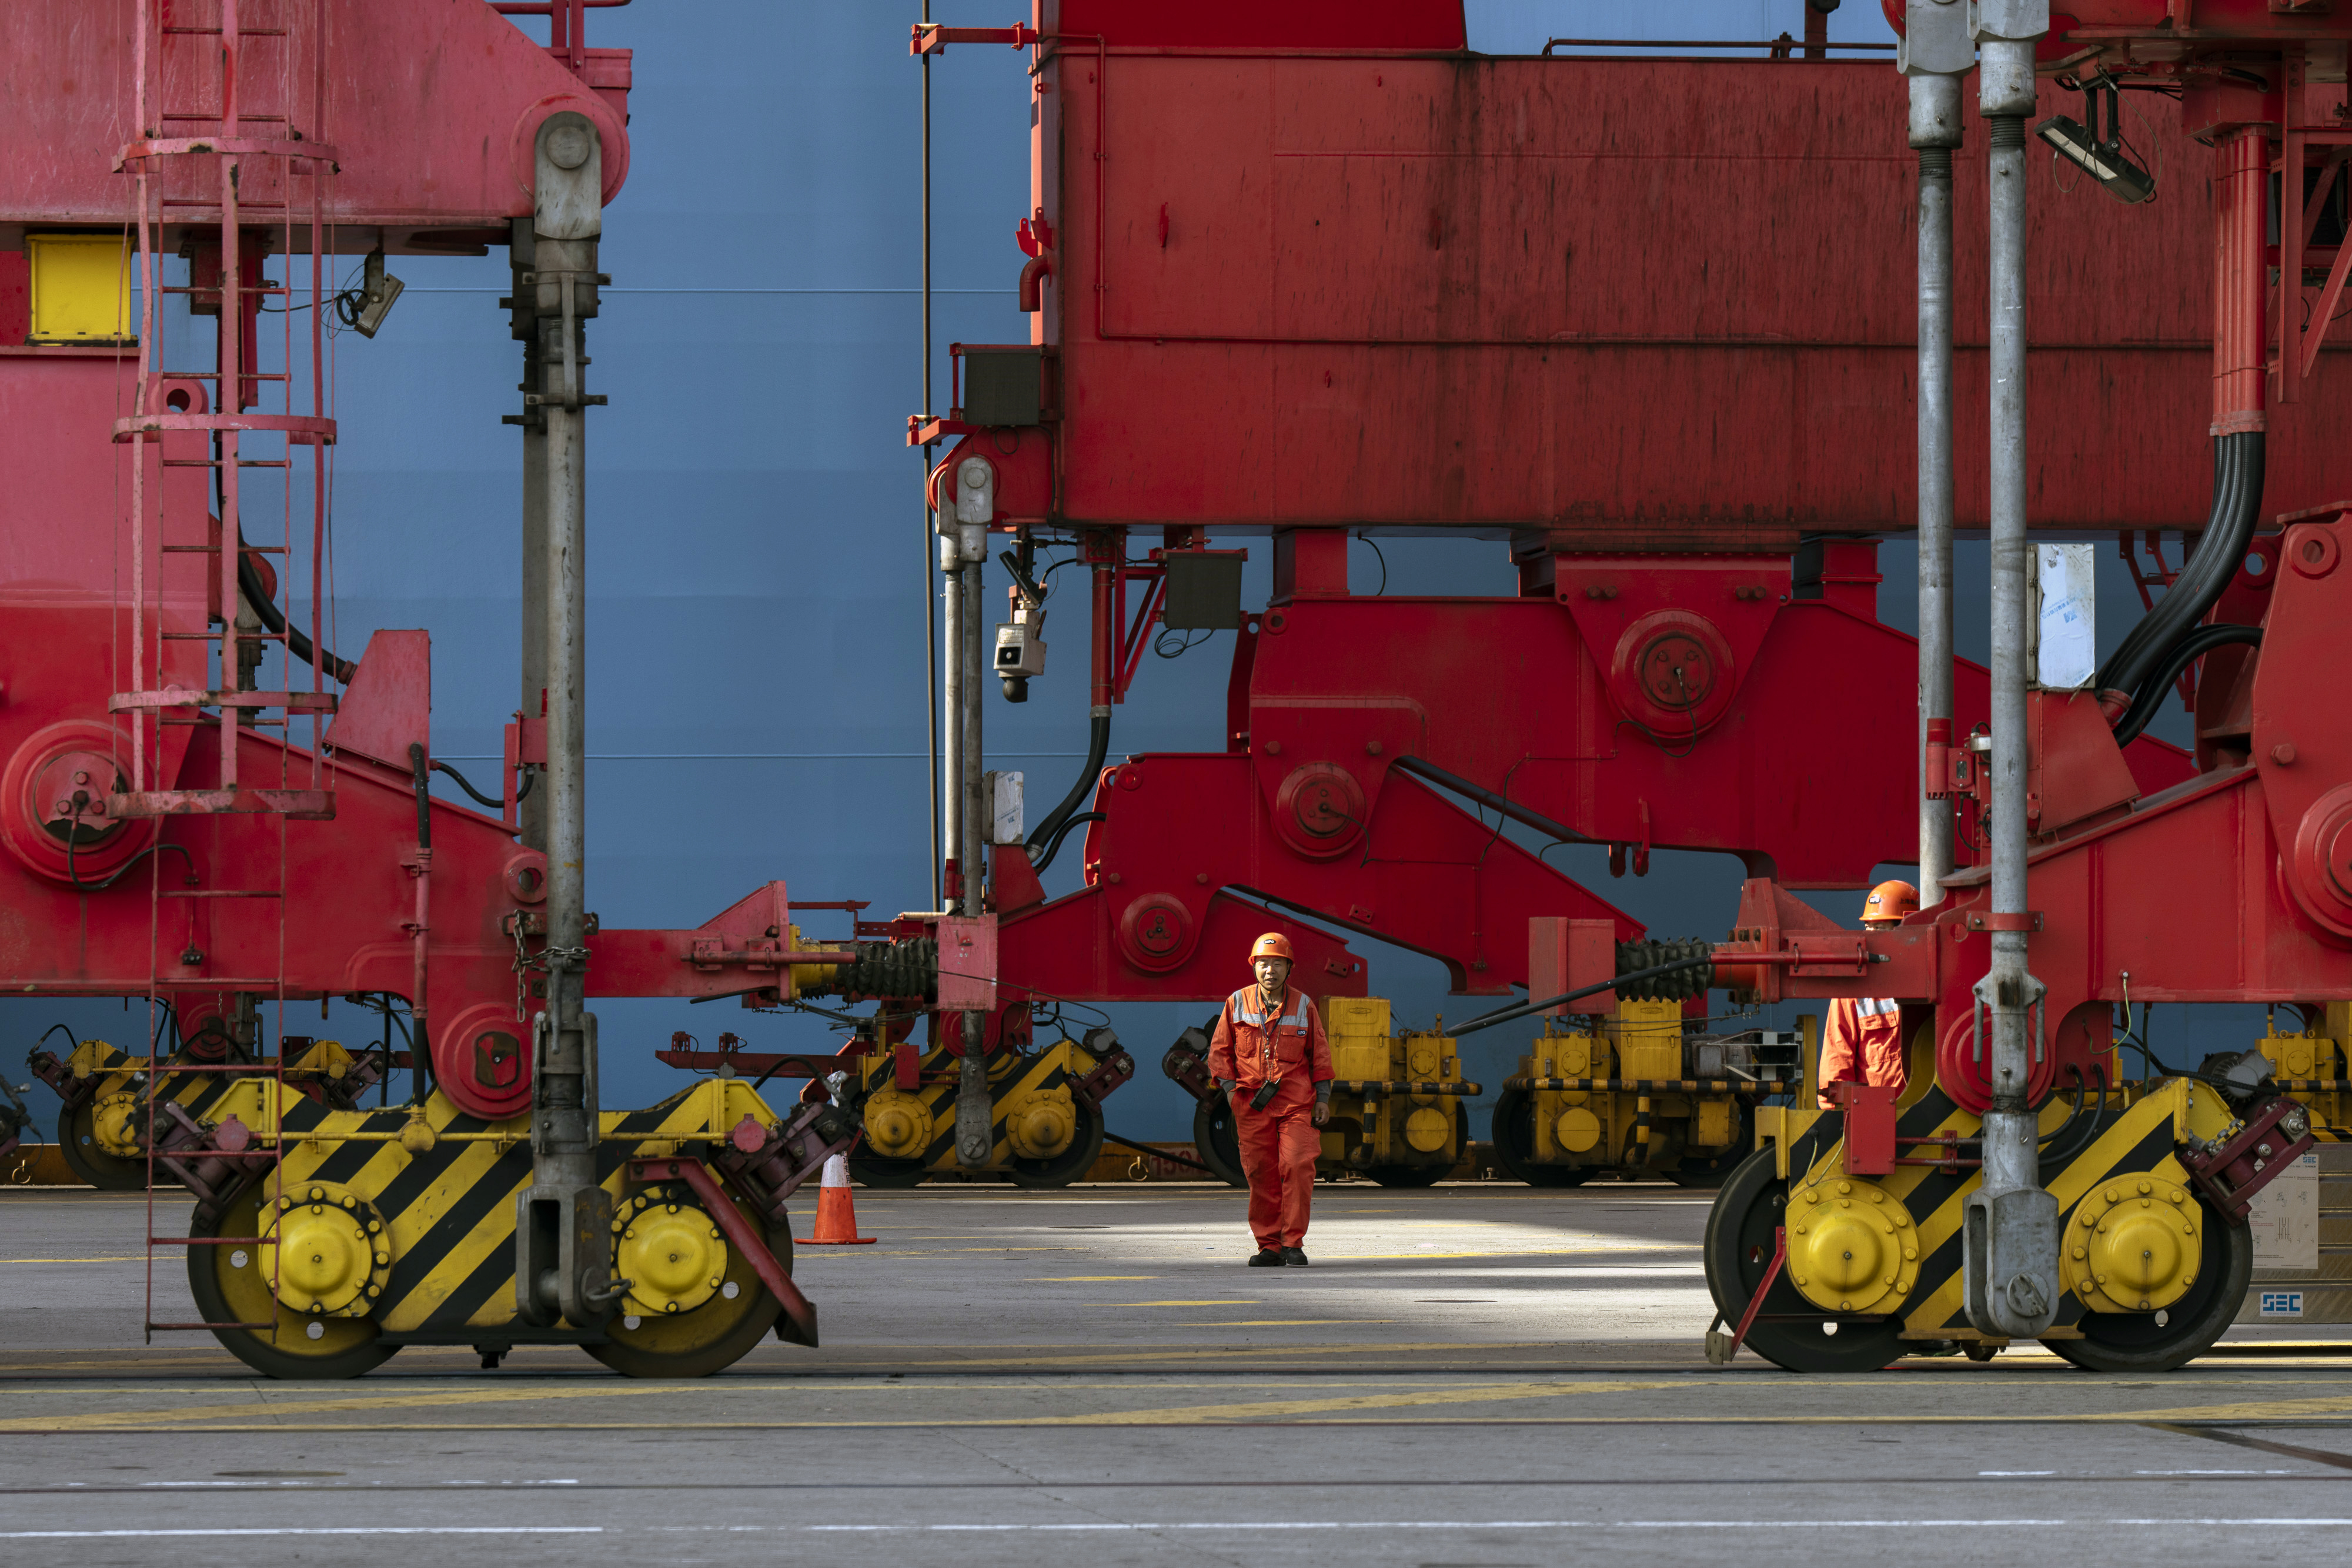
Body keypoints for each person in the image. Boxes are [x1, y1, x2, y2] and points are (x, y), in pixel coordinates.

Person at [1207, 932, 1333, 1266]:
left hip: (1296, 1102)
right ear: (1254, 967)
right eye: (1263, 963)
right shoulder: (1236, 1003)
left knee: (1297, 1166)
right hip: (1251, 1103)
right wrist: (1232, 1093)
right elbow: (1219, 1052)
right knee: (1261, 1173)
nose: (1270, 970)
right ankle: (1269, 1247)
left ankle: (1293, 1243)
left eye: (1277, 964)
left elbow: (1319, 1053)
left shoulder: (1305, 1005)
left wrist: (1323, 1097)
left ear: (1288, 968)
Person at [1817, 880, 1919, 1109]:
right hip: (1875, 1115)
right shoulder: (1853, 990)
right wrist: (1836, 1116)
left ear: (1906, 929)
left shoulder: (1932, 981)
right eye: (1869, 928)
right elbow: (1837, 1056)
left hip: (1928, 1111)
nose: (1871, 937)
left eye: (1880, 929)